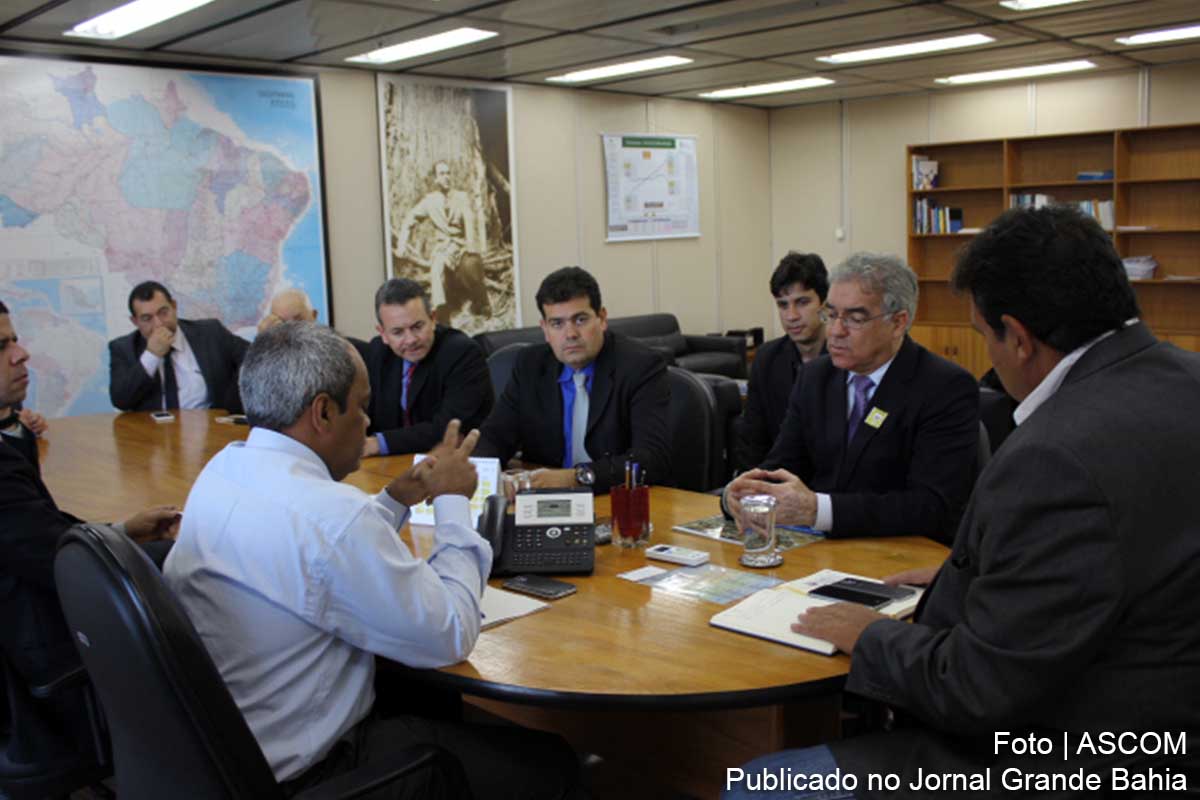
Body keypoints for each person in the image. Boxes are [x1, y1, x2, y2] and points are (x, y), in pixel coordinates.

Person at [724, 206, 1200, 800]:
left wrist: (868, 633)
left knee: (759, 785)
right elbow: (1109, 562)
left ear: (1018, 338)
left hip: (1086, 751)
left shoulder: (1053, 454)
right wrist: (980, 572)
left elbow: (975, 687)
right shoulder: (1184, 379)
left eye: (982, 336)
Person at [163, 322, 579, 799]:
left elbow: (315, 559)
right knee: (553, 764)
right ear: (322, 412)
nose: (368, 422)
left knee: (421, 698)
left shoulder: (226, 468)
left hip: (227, 751)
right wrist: (451, 502)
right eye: (360, 407)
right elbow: (450, 633)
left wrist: (393, 500)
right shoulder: (332, 516)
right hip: (310, 771)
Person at [0, 298, 178, 754]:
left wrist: (123, 528)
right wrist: (123, 538)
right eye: (2, 346)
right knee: (178, 562)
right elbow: (55, 556)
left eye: (15, 340)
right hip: (39, 638)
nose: (21, 354)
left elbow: (40, 527)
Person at [724, 253, 978, 544]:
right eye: (831, 315)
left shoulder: (944, 387)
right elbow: (783, 465)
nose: (835, 331)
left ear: (898, 323)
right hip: (819, 553)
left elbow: (932, 506)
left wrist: (819, 510)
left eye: (854, 319)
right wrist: (739, 494)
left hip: (900, 555)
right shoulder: (816, 377)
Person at [475, 266, 671, 493]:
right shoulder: (529, 365)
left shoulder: (640, 366)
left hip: (619, 498)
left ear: (602, 319)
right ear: (545, 329)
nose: (570, 334)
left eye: (580, 320)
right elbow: (494, 436)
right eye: (557, 323)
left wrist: (575, 477)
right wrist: (490, 477)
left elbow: (652, 460)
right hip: (546, 501)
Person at [355, 278, 493, 457]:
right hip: (392, 464)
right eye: (398, 332)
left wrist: (378, 443)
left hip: (456, 464)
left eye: (417, 326)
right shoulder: (378, 354)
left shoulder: (463, 353)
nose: (411, 339)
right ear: (383, 333)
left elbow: (448, 429)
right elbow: (366, 417)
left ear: (433, 319)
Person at [734, 251, 829, 471]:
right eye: (783, 305)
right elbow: (753, 440)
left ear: (824, 303)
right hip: (777, 483)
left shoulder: (846, 359)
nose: (791, 315)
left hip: (829, 492)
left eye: (802, 302)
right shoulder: (767, 359)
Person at [108, 281, 249, 413]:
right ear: (135, 321)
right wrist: (151, 356)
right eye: (147, 318)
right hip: (152, 434)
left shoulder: (210, 333)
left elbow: (253, 358)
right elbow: (121, 400)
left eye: (163, 312)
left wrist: (232, 402)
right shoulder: (123, 349)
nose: (158, 324)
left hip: (209, 428)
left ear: (174, 306)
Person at [395, 161, 490, 320]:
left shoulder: (461, 197)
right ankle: (441, 312)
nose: (446, 177)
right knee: (436, 267)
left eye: (448, 173)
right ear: (435, 179)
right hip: (443, 248)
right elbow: (409, 220)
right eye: (442, 174)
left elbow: (469, 221)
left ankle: (481, 304)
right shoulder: (429, 201)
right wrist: (401, 245)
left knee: (472, 264)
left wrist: (471, 247)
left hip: (461, 246)